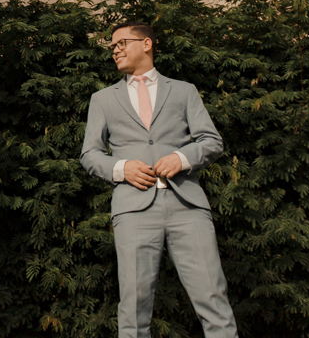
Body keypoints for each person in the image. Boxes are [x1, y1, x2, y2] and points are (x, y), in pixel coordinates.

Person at [80, 21, 237, 338]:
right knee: (134, 309)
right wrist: (122, 168)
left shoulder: (184, 90)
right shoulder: (103, 99)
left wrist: (181, 158)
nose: (115, 50)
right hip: (134, 210)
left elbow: (211, 141)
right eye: (112, 46)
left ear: (146, 44)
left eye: (121, 43)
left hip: (187, 206)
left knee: (213, 299)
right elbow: (90, 154)